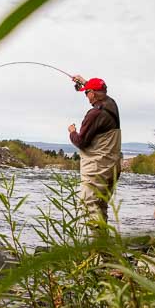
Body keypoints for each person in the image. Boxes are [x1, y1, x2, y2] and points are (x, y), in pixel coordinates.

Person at [68, 75, 122, 227]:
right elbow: (101, 93)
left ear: (93, 93)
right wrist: (85, 83)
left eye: (87, 93)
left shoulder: (95, 114)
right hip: (113, 167)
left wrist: (72, 131)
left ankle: (95, 248)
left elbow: (80, 142)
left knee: (89, 205)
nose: (87, 97)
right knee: (101, 205)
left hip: (98, 169)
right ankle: (103, 247)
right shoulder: (112, 105)